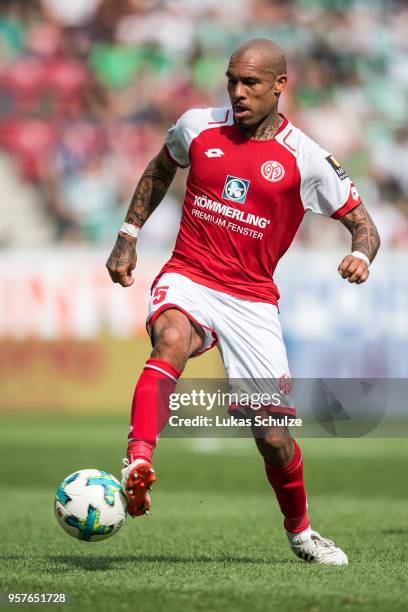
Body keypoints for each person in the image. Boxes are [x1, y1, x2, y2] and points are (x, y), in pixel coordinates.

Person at [106, 39, 380, 565]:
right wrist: (128, 234)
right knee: (171, 337)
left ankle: (301, 531)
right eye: (231, 80)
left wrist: (361, 257)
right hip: (189, 273)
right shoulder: (196, 126)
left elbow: (364, 226)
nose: (237, 92)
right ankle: (137, 460)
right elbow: (161, 169)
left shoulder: (309, 158)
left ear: (280, 85)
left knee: (274, 438)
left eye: (250, 83)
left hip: (252, 301)